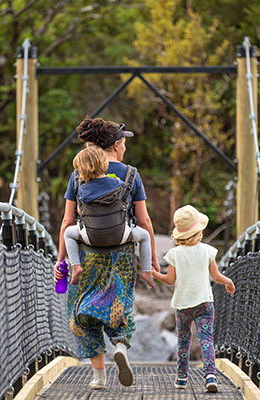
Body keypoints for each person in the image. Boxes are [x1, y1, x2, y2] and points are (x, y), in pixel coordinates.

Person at [54, 116, 160, 390]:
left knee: (82, 313)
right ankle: (122, 346)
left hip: (87, 254)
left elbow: (67, 222)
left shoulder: (78, 175)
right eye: (123, 143)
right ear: (115, 145)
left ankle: (99, 376)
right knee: (120, 306)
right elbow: (145, 222)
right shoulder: (130, 175)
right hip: (122, 253)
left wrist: (62, 259)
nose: (124, 148)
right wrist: (152, 260)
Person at [152, 205, 235, 393]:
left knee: (183, 341)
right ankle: (210, 376)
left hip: (183, 306)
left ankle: (181, 378)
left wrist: (155, 274)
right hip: (205, 303)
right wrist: (228, 281)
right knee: (206, 339)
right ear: (199, 231)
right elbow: (216, 276)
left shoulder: (174, 254)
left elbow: (170, 280)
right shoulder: (207, 251)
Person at [63, 144, 153, 284]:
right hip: (121, 235)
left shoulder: (82, 189)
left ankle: (75, 266)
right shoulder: (119, 184)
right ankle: (147, 271)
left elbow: (80, 211)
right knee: (145, 236)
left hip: (91, 237)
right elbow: (126, 205)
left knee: (68, 233)